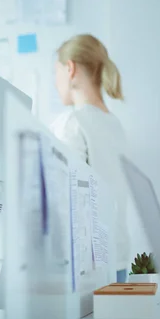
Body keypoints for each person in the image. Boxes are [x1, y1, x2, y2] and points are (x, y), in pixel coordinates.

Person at [50, 34, 130, 276]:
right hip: (118, 258)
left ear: (70, 68)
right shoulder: (115, 124)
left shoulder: (72, 122)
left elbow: (65, 199)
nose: (55, 83)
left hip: (90, 268)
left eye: (56, 73)